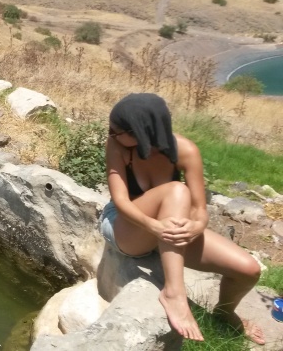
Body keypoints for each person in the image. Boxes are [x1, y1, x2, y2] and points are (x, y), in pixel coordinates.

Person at [99, 93, 264, 344]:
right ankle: (174, 293)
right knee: (177, 190)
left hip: (168, 229)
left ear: (142, 133)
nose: (110, 134)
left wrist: (196, 227)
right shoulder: (118, 147)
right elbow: (121, 202)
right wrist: (153, 226)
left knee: (248, 270)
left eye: (115, 130)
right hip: (127, 227)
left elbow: (199, 211)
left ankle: (225, 312)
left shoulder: (186, 151)